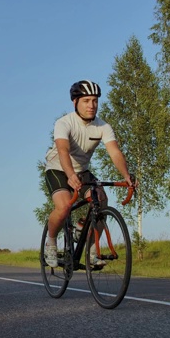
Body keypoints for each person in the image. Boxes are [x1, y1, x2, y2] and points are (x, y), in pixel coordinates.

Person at [44, 80, 135, 268]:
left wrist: (126, 175)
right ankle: (50, 243)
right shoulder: (64, 123)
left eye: (94, 100)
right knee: (63, 207)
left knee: (101, 199)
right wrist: (70, 175)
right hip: (58, 168)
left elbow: (115, 152)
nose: (91, 105)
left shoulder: (103, 126)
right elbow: (63, 150)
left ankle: (92, 250)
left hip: (82, 171)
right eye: (86, 100)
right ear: (75, 102)